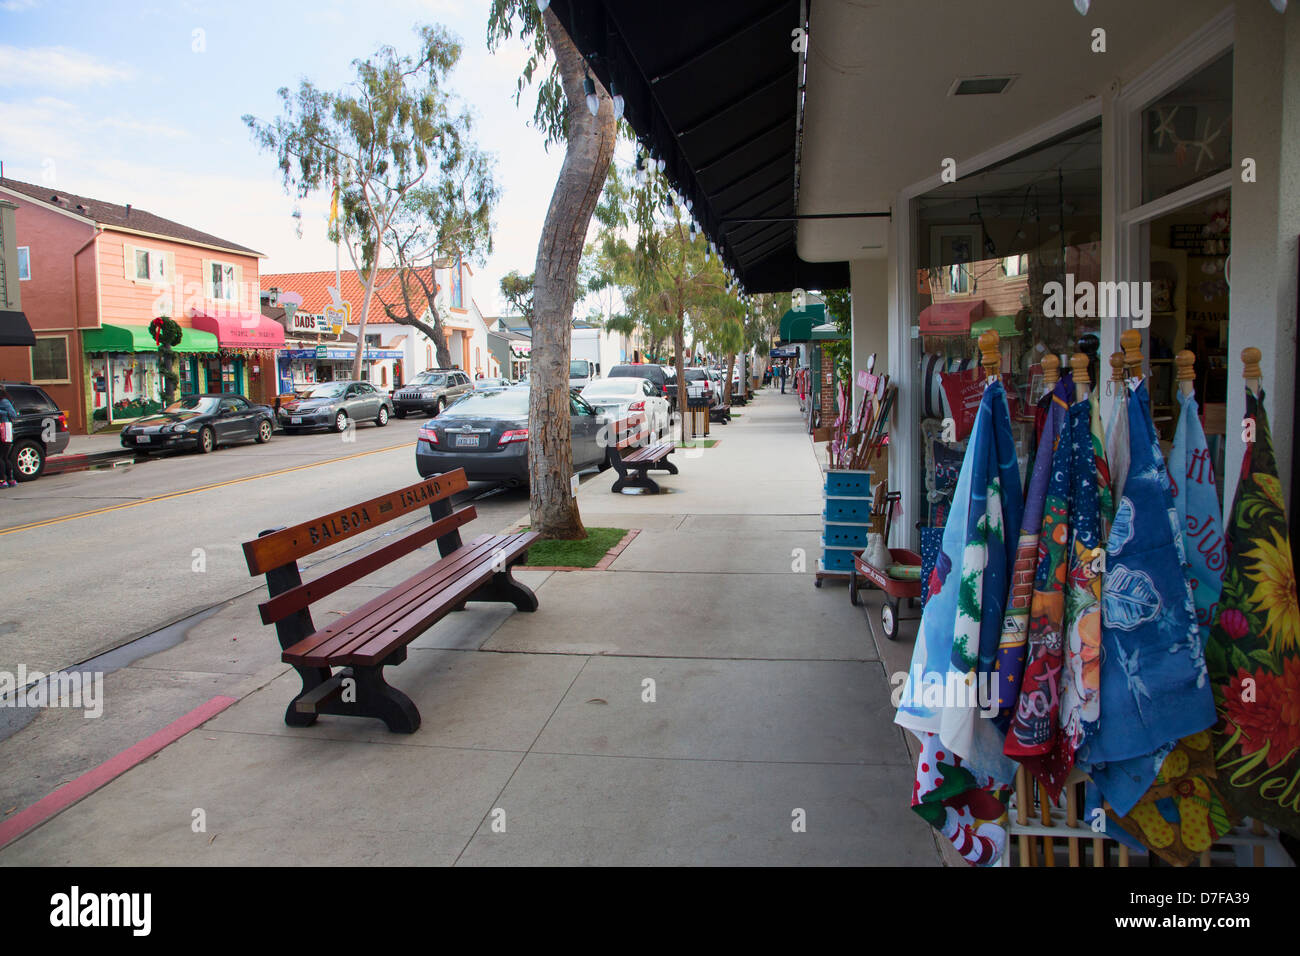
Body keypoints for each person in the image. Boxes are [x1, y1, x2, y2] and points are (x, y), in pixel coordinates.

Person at [0, 386, 18, 487]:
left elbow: (13, 415)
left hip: (4, 432)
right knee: (4, 457)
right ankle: (10, 480)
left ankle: (3, 481)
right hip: (5, 432)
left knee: (2, 457)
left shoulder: (4, 402)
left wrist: (2, 412)